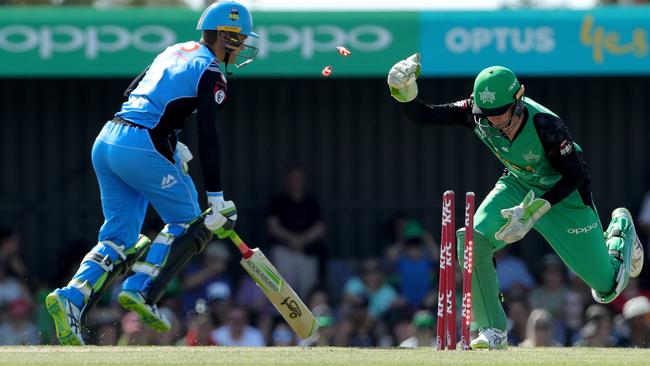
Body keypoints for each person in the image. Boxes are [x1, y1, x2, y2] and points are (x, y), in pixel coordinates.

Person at [387, 55, 644, 349]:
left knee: (606, 288)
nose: (494, 121)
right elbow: (422, 116)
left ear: (519, 100)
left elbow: (576, 175)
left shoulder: (547, 125)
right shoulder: (476, 112)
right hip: (518, 185)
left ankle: (621, 230)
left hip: (563, 197)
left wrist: (535, 210)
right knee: (472, 240)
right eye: (488, 114)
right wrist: (403, 92)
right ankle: (493, 330)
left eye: (501, 112)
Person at [45, 1, 258, 345]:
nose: (244, 46)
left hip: (108, 139)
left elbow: (131, 93)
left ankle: (71, 297)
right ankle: (141, 290)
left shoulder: (175, 49)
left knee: (120, 238)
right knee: (190, 220)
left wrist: (171, 143)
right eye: (241, 39)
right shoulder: (211, 71)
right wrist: (216, 197)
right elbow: (209, 135)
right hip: (141, 145)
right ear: (226, 37)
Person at [267, 166, 327, 298]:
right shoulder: (278, 201)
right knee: (284, 291)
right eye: (293, 178)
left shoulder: (311, 202)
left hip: (307, 251)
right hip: (284, 251)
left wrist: (301, 240)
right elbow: (273, 226)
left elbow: (320, 228)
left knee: (308, 289)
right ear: (287, 181)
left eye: (298, 178)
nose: (296, 182)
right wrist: (292, 239)